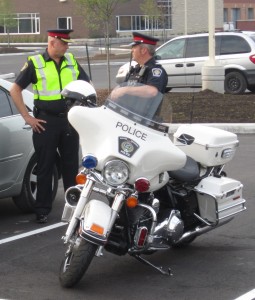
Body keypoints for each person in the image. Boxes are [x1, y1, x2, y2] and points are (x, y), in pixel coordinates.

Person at [10, 29, 91, 223]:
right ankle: (43, 210)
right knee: (45, 166)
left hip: (70, 120)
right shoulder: (35, 62)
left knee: (71, 167)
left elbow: (87, 84)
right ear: (53, 42)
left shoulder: (70, 60)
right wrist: (27, 117)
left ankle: (74, 210)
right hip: (46, 122)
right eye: (63, 43)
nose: (66, 46)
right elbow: (15, 89)